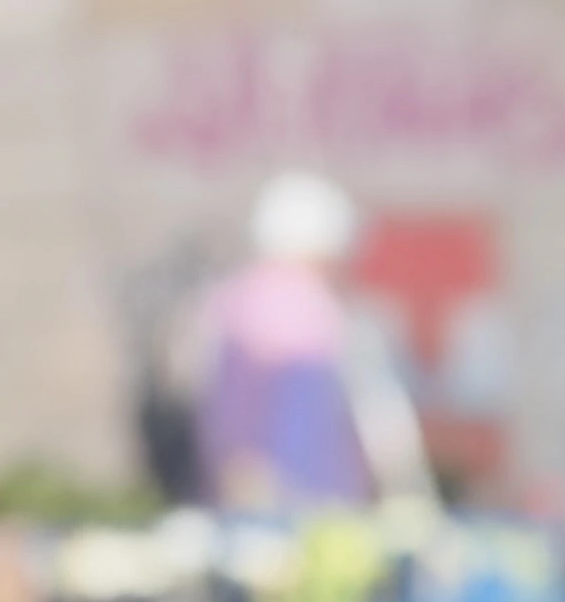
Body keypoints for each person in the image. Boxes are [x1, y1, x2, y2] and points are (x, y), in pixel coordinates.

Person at [179, 171, 428, 515]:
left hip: (268, 506)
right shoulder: (311, 313)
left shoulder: (231, 303)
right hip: (303, 506)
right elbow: (381, 423)